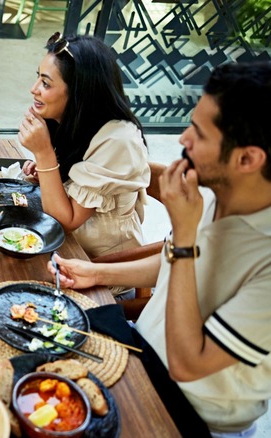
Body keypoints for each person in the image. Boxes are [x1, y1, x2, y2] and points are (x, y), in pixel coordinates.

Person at [49, 62, 271, 437]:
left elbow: (189, 364)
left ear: (247, 159)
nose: (183, 138)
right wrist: (97, 273)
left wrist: (184, 236)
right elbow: (176, 266)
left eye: (198, 133)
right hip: (141, 354)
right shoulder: (221, 193)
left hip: (191, 413)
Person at [17, 33, 150, 264]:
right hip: (63, 250)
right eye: (38, 77)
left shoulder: (119, 140)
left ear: (80, 92)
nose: (34, 89)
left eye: (46, 83)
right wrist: (50, 174)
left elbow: (65, 222)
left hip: (99, 268)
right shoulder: (72, 120)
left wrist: (44, 154)